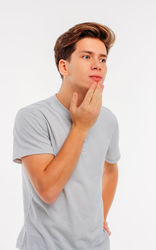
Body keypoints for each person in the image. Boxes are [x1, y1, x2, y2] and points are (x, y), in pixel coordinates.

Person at [12, 22, 121, 250]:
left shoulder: (108, 119)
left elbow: (110, 169)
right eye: (86, 57)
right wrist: (81, 126)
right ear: (64, 66)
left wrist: (100, 217)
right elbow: (48, 190)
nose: (97, 65)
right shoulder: (33, 117)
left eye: (102, 59)